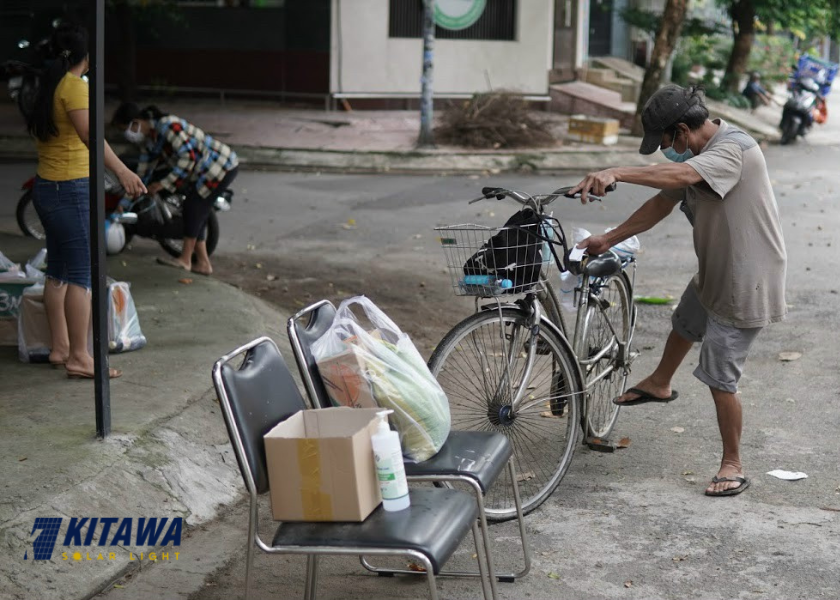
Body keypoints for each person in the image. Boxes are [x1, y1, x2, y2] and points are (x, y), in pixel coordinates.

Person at [569, 85, 787, 497]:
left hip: (746, 280)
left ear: (683, 131)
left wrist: (617, 172)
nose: (665, 150)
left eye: (665, 141)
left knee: (720, 375)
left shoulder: (733, 150)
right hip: (717, 268)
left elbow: (684, 176)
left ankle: (733, 464)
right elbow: (660, 204)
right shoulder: (695, 154)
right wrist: (608, 239)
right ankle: (660, 382)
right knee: (686, 321)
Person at [26, 22, 146, 380]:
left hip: (48, 187)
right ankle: (80, 356)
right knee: (81, 274)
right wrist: (123, 171)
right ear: (87, 56)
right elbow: (91, 136)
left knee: (59, 270)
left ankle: (61, 348)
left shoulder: (49, 85)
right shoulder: (74, 86)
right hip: (70, 190)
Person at [111, 103, 239, 276]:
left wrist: (163, 184)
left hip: (219, 166)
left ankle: (185, 260)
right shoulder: (149, 142)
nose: (127, 134)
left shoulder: (168, 126)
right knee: (196, 211)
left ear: (136, 122)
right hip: (203, 172)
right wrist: (124, 203)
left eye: (125, 129)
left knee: (193, 208)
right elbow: (142, 174)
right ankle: (203, 263)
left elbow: (188, 157)